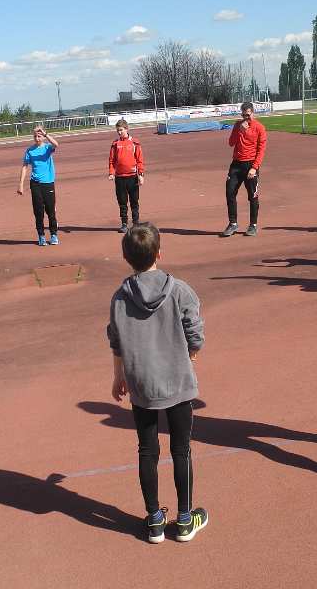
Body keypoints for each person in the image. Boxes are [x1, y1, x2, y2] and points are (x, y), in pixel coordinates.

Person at [108, 223, 208, 543]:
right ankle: (184, 519)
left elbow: (116, 341)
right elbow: (195, 331)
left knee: (147, 450)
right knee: (181, 449)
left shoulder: (120, 298)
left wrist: (119, 375)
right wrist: (191, 352)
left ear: (127, 258)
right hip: (177, 380)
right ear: (159, 253)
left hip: (143, 384)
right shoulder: (179, 290)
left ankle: (154, 520)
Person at [222, 101, 266, 237]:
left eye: (248, 115)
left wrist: (254, 167)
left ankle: (253, 225)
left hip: (251, 165)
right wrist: (239, 131)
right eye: (243, 115)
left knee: (253, 196)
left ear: (253, 113)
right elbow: (231, 143)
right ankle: (233, 223)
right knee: (230, 192)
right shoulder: (237, 125)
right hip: (236, 165)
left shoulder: (259, 128)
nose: (246, 118)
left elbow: (261, 150)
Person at [18, 125, 60, 246]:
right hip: (35, 184)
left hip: (48, 183)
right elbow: (25, 167)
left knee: (50, 210)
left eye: (39, 136)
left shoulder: (47, 148)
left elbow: (56, 144)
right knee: (38, 211)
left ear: (43, 137)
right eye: (35, 136)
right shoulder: (30, 150)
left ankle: (53, 235)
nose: (37, 138)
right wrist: (21, 184)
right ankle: (41, 236)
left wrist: (46, 134)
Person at [108, 120, 145, 233]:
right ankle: (124, 224)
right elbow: (111, 160)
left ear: (126, 129)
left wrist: (141, 175)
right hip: (120, 178)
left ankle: (136, 223)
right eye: (117, 130)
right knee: (122, 202)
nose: (119, 132)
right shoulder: (115, 144)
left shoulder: (134, 142)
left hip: (132, 177)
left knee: (134, 201)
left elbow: (139, 160)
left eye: (121, 130)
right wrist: (111, 173)